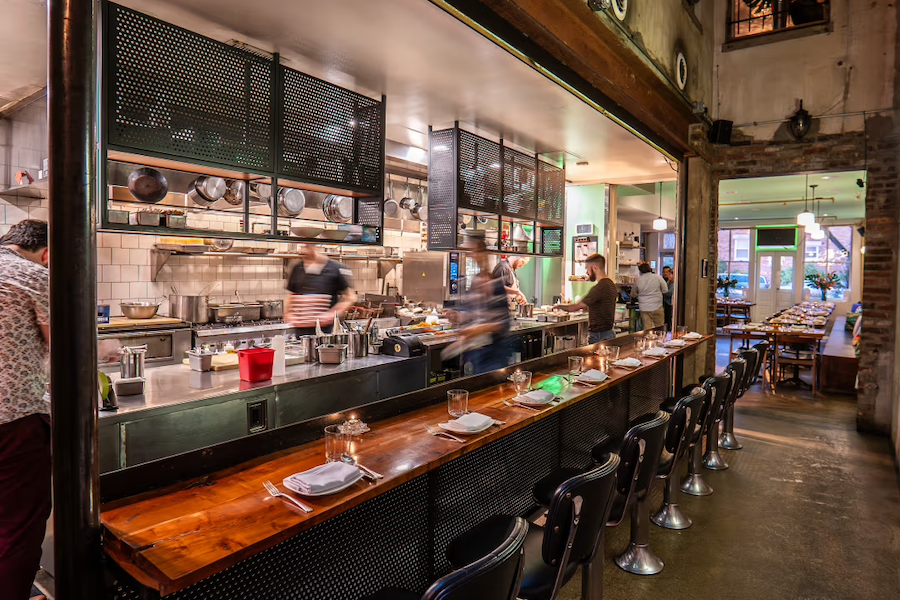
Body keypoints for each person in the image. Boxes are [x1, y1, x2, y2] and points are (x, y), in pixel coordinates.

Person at [0, 220, 50, 600]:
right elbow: (66, 346)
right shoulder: (33, 275)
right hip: (13, 421)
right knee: (18, 523)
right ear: (47, 255)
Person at [444, 235, 511, 375]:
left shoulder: (494, 283)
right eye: (471, 252)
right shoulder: (476, 281)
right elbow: (470, 314)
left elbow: (504, 324)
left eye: (475, 252)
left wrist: (479, 329)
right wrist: (457, 316)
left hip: (493, 355)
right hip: (475, 354)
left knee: (492, 393)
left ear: (484, 254)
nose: (473, 256)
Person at [285, 243, 356, 337]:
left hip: (326, 333)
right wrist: (288, 313)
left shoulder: (335, 268)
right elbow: (292, 294)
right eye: (302, 247)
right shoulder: (297, 268)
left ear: (315, 246)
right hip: (301, 333)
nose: (303, 251)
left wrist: (332, 315)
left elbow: (351, 297)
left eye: (307, 246)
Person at [553, 253, 618, 344]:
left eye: (587, 268)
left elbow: (576, 307)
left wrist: (559, 307)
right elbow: (600, 306)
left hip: (599, 335)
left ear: (595, 268)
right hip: (608, 333)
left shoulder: (600, 287)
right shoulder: (610, 284)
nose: (587, 272)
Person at [633, 262, 668, 330]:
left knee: (647, 329)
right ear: (650, 269)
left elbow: (633, 294)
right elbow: (665, 290)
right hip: (657, 306)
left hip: (644, 308)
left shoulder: (638, 280)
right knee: (659, 328)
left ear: (640, 271)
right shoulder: (658, 277)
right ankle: (660, 339)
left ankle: (648, 340)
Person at [662, 265, 675, 330]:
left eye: (670, 274)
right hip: (666, 304)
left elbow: (669, 293)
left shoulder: (673, 284)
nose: (668, 276)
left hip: (670, 305)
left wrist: (662, 291)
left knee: (669, 321)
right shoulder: (668, 283)